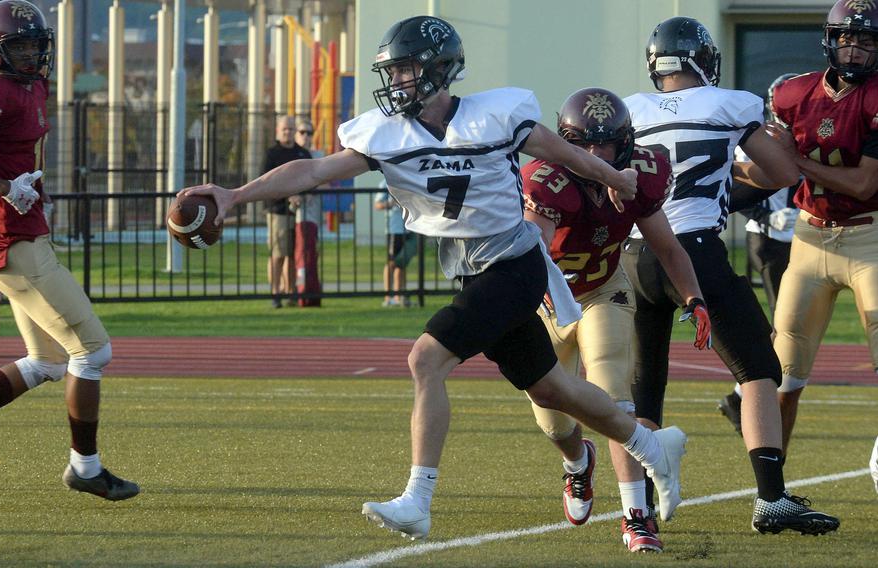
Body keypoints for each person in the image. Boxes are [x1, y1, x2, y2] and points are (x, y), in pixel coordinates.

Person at [181, 15, 687, 541]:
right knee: (553, 389)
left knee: (426, 357)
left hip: (514, 263)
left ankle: (418, 500)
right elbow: (311, 172)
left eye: (404, 69)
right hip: (472, 273)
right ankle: (654, 446)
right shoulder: (386, 133)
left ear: (439, 69)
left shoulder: (495, 114)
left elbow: (568, 155)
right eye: (393, 70)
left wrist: (618, 178)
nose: (396, 80)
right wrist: (235, 196)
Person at [621, 16, 838, 535]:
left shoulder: (631, 109)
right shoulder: (729, 104)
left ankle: (639, 511)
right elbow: (783, 174)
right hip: (693, 252)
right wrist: (729, 181)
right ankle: (771, 498)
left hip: (634, 253)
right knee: (759, 370)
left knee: (643, 387)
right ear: (701, 59)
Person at [521, 88, 709, 553]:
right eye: (583, 144)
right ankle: (577, 463)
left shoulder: (643, 174)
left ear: (625, 142)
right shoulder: (547, 180)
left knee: (613, 399)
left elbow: (667, 245)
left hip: (605, 288)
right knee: (554, 421)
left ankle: (636, 516)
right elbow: (535, 253)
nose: (594, 155)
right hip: (548, 299)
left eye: (605, 145)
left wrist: (695, 296)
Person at [0, 0, 138, 500]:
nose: (30, 56)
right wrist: (3, 189)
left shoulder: (34, 86)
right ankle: (85, 467)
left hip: (25, 233)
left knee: (44, 362)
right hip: (9, 239)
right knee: (92, 351)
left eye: (35, 46)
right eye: (18, 46)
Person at [765, 0, 878, 463]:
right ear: (830, 40)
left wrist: (796, 161)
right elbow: (768, 169)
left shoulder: (874, 98)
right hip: (810, 238)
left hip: (869, 237)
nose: (854, 52)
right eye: (847, 40)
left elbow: (864, 181)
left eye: (866, 42)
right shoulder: (792, 95)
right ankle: (771, 487)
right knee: (784, 375)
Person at [718, 74, 801, 436]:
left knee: (788, 325)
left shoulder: (798, 135)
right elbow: (734, 185)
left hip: (799, 236)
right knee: (784, 326)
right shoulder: (756, 136)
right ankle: (744, 394)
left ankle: (741, 394)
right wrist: (766, 215)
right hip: (767, 237)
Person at [264, 115, 312, 308]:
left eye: (291, 129)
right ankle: (275, 292)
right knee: (278, 253)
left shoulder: (302, 153)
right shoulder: (272, 154)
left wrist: (303, 194)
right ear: (278, 130)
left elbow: (313, 177)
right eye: (285, 129)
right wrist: (287, 196)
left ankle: (291, 291)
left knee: (293, 254)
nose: (288, 133)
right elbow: (264, 181)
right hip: (278, 211)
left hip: (299, 213)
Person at [291, 119, 322, 307]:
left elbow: (327, 180)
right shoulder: (294, 157)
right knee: (301, 255)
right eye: (302, 132)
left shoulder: (317, 156)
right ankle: (303, 294)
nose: (306, 136)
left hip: (313, 214)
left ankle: (311, 293)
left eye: (309, 132)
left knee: (310, 254)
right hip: (298, 214)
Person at [375, 180, 418, 307]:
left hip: (410, 227)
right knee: (392, 262)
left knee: (402, 263)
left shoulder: (408, 179)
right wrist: (391, 203)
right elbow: (377, 205)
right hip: (395, 228)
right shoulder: (386, 183)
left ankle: (400, 296)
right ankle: (388, 297)